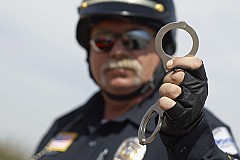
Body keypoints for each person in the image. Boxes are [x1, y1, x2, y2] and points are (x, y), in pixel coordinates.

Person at [32, 0, 239, 159]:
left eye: (134, 40)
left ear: (163, 50)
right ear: (89, 51)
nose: (118, 52)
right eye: (104, 42)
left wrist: (190, 139)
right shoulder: (64, 125)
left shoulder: (200, 129)